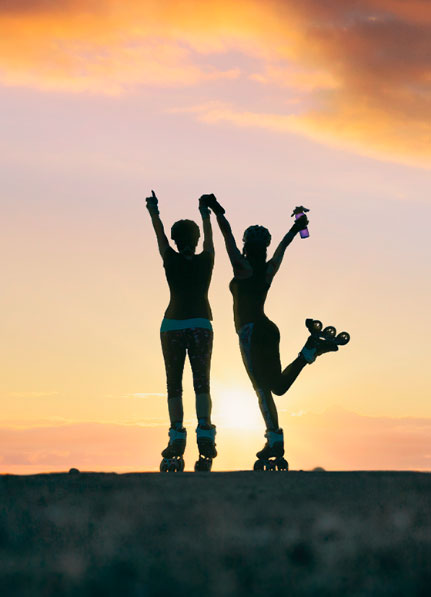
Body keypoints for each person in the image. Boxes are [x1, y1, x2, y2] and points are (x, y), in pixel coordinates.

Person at [205, 195, 346, 462]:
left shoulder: (242, 268)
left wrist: (216, 211)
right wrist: (295, 227)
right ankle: (309, 351)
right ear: (264, 248)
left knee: (261, 389)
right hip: (269, 329)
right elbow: (283, 248)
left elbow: (228, 239)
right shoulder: (269, 270)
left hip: (250, 332)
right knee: (277, 387)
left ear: (247, 247)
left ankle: (274, 441)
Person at [146, 191, 217, 468]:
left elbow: (158, 234)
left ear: (176, 241)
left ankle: (176, 434)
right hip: (200, 323)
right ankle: (204, 433)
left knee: (173, 384)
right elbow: (211, 237)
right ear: (196, 240)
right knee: (202, 382)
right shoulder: (206, 260)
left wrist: (154, 209)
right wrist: (204, 212)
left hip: (172, 325)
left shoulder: (170, 259)